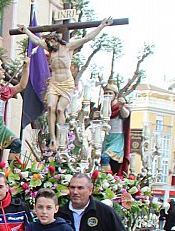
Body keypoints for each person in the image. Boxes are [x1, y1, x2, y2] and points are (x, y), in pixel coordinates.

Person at [19, 18, 113, 149]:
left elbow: (87, 38)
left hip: (66, 83)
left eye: (52, 41)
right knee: (51, 107)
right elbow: (36, 41)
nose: (50, 44)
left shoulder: (69, 47)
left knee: (60, 109)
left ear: (57, 40)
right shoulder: (51, 50)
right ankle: (52, 138)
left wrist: (102, 26)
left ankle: (60, 137)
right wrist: (27, 31)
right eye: (49, 43)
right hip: (54, 82)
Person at [97, 81, 131, 175]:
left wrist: (122, 106)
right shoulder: (103, 108)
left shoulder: (119, 107)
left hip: (117, 139)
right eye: (106, 93)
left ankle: (107, 179)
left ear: (115, 95)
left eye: (110, 93)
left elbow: (126, 115)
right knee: (99, 158)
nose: (108, 95)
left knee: (105, 157)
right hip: (105, 138)